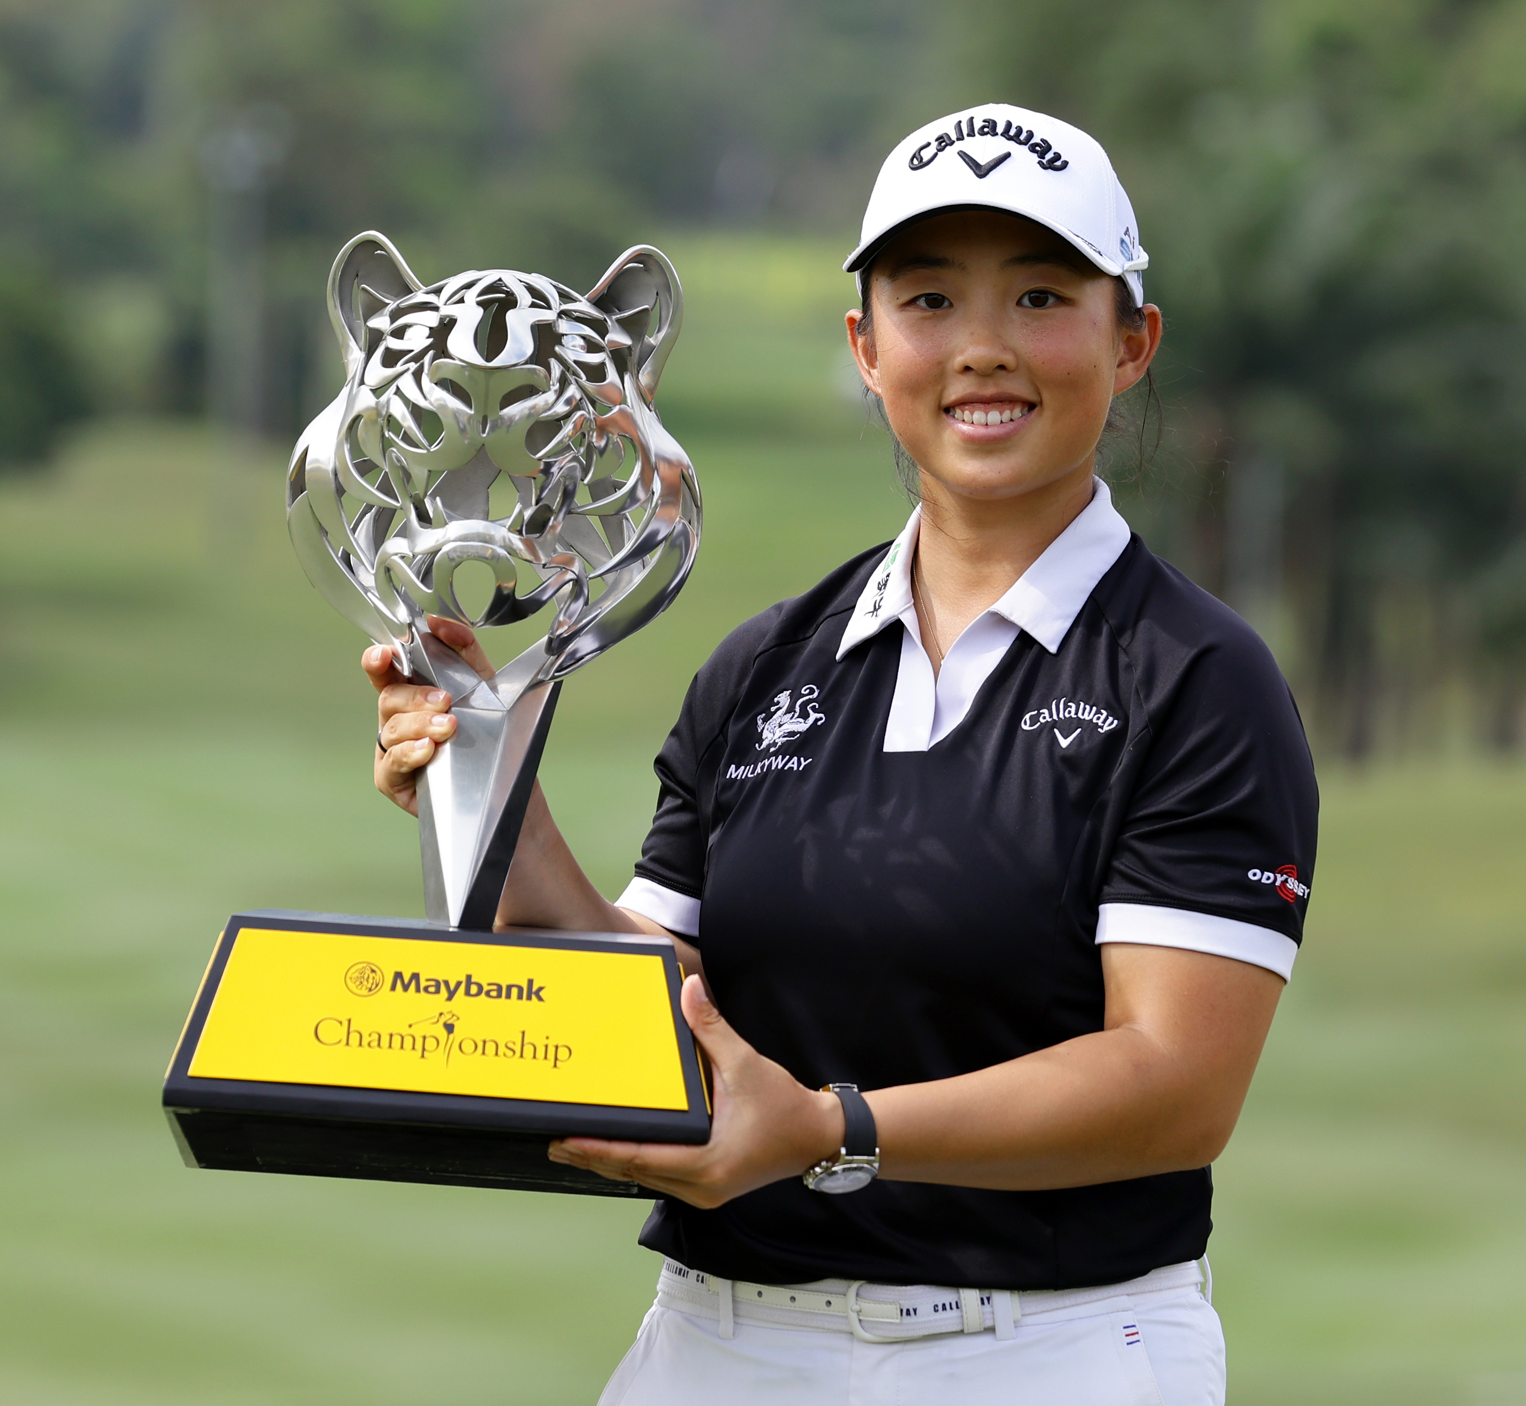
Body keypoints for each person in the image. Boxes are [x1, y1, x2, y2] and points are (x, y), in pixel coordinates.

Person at [364, 103, 1316, 1406]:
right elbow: (663, 1008)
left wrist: (832, 1129)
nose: (982, 348)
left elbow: (1172, 1087)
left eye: (1041, 295)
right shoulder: (765, 667)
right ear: (867, 348)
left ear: (1130, 341)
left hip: (1052, 1350)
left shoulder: (1195, 680)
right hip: (717, 1342)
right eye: (929, 299)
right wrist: (494, 788)